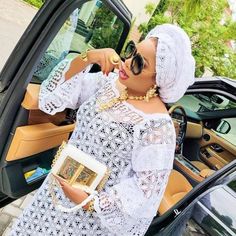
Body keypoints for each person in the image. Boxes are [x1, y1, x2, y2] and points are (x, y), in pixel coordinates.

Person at [10, 24, 195, 236]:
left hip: (87, 222)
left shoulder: (157, 127)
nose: (126, 62)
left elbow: (144, 193)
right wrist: (89, 57)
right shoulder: (109, 84)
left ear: (159, 79)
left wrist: (92, 203)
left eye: (138, 63)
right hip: (53, 194)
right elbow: (52, 93)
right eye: (131, 51)